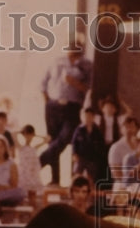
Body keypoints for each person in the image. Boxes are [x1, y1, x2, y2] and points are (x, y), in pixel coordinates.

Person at [39, 40, 92, 185]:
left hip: (72, 107)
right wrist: (48, 103)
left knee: (63, 139)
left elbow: (89, 88)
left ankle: (38, 162)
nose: (73, 48)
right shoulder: (57, 61)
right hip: (53, 106)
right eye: (71, 45)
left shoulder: (87, 65)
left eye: (77, 46)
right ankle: (55, 179)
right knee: (52, 139)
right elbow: (43, 83)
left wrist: (75, 83)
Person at [70, 106, 107, 181]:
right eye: (85, 116)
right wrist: (74, 154)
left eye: (89, 116)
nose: (87, 118)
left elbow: (101, 144)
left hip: (92, 158)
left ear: (93, 117)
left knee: (90, 177)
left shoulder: (97, 130)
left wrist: (98, 156)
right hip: (81, 157)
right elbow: (74, 143)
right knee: (77, 175)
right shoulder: (79, 129)